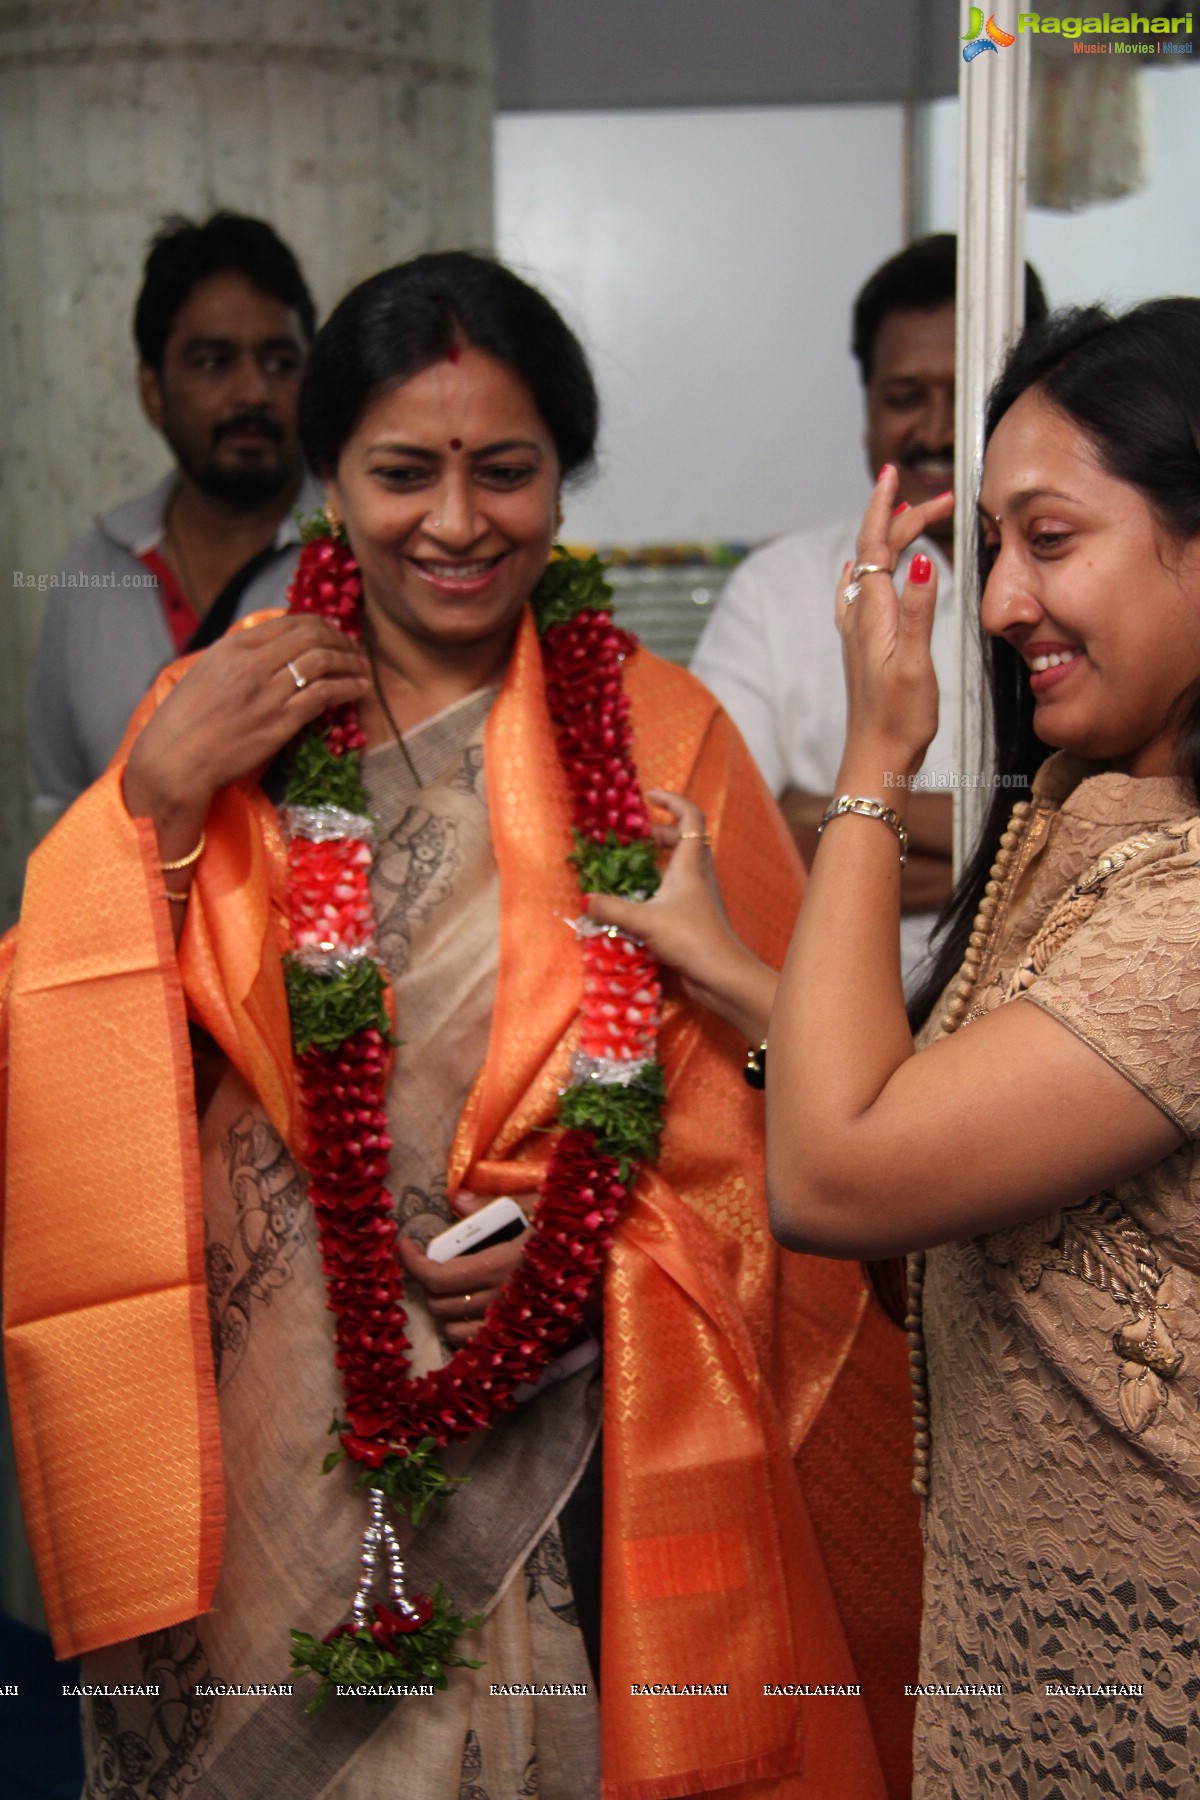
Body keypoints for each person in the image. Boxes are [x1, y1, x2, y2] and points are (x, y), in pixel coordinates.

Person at [2, 254, 921, 1800]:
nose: (454, 520)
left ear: (564, 482)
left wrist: (598, 1252)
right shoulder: (226, 714)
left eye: (505, 471)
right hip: (268, 1419)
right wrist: (157, 796)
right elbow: (76, 1035)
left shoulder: (662, 735)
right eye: (401, 471)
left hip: (570, 1419)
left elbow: (790, 1104)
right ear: (329, 478)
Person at [595, 299, 1200, 1797]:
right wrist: (735, 968)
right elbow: (931, 1132)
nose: (998, 604)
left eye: (1050, 542)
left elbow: (844, 1175)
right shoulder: (1085, 815)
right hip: (1015, 1636)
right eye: (993, 549)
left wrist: (875, 755)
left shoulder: (1185, 911)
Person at [691, 235, 1047, 989]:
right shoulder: (777, 588)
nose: (936, 430)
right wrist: (1009, 849)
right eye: (903, 396)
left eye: (970, 397)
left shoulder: (1069, 588)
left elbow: (1100, 832)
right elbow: (725, 841)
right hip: (814, 1008)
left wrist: (833, 819)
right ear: (866, 407)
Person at [29, 210, 325, 821]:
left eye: (279, 362)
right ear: (153, 391)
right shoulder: (92, 570)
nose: (253, 392)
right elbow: (58, 807)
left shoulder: (360, 556)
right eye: (214, 362)